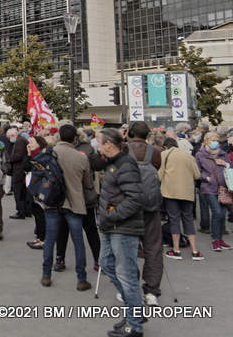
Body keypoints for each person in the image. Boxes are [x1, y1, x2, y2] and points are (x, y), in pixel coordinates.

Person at [96, 128, 145, 337]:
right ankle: (134, 311)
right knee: (106, 264)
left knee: (127, 276)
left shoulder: (125, 165)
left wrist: (112, 214)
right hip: (111, 226)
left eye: (98, 142)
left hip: (122, 227)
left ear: (109, 144)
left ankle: (134, 325)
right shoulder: (114, 162)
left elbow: (134, 198)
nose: (96, 145)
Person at [40, 124, 92, 291]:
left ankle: (46, 275)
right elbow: (88, 184)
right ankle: (81, 279)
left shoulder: (49, 153)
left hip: (52, 202)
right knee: (78, 242)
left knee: (50, 240)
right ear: (75, 139)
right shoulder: (81, 157)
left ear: (59, 137)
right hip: (74, 202)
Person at [54, 126, 105, 273]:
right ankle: (63, 259)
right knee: (74, 231)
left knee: (82, 230)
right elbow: (88, 180)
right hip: (76, 197)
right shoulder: (81, 153)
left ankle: (95, 260)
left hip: (72, 198)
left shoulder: (55, 152)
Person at [125, 120, 163, 305]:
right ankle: (152, 290)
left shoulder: (123, 150)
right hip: (150, 205)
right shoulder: (155, 152)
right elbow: (156, 169)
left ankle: (131, 288)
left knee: (127, 247)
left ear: (130, 133)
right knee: (153, 247)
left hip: (128, 206)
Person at [159, 137, 203, 261]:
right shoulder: (188, 156)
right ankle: (195, 250)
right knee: (188, 219)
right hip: (187, 193)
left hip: (170, 192)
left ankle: (176, 250)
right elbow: (197, 175)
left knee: (174, 219)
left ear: (166, 146)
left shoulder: (164, 154)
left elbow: (160, 174)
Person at [195, 132, 232, 252]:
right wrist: (206, 178)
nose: (215, 142)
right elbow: (197, 171)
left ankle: (220, 239)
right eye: (212, 140)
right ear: (206, 141)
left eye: (217, 140)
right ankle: (215, 240)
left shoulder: (223, 154)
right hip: (209, 188)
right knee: (217, 212)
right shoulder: (200, 155)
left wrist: (226, 164)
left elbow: (230, 168)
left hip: (223, 189)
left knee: (222, 214)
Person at [7, 127, 29, 219]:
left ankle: (21, 211)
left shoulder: (20, 141)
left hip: (19, 169)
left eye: (9, 137)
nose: (9, 140)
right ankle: (25, 210)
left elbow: (18, 156)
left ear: (13, 135)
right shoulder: (21, 139)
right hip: (21, 169)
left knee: (18, 192)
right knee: (22, 192)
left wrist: (8, 159)